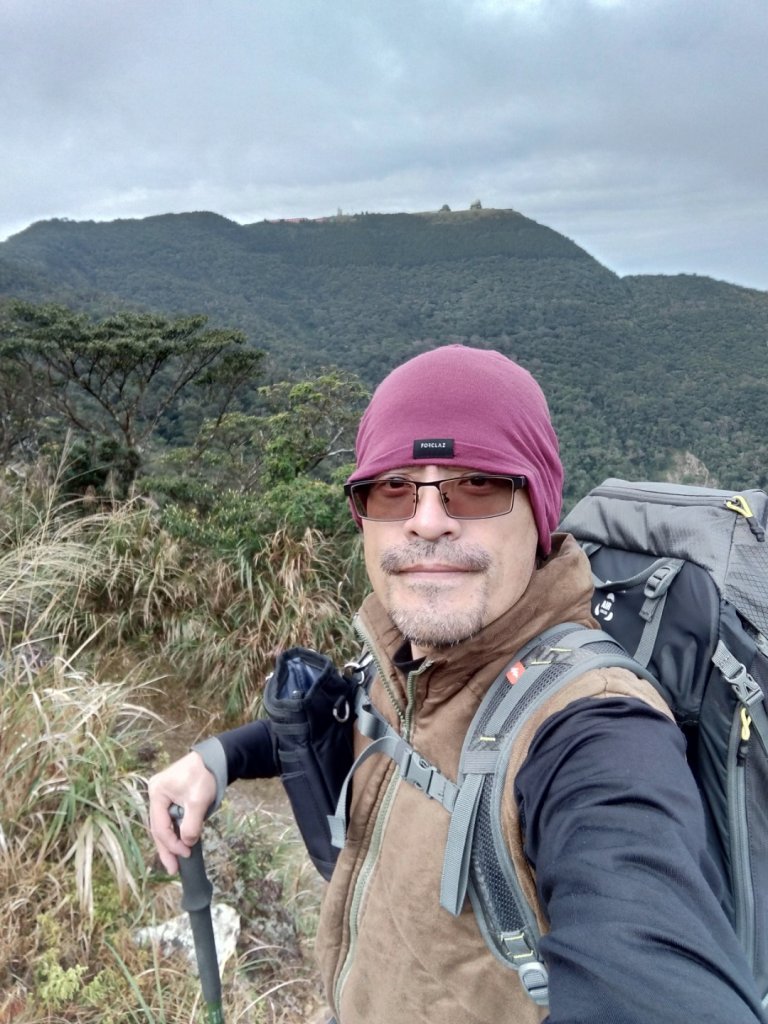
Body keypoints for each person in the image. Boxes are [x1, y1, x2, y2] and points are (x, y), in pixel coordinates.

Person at [148, 345, 767, 1024]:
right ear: (363, 515)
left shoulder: (597, 732)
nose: (429, 518)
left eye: (478, 484)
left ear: (539, 511)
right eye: (392, 487)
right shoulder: (413, 661)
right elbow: (366, 714)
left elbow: (649, 960)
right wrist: (222, 757)